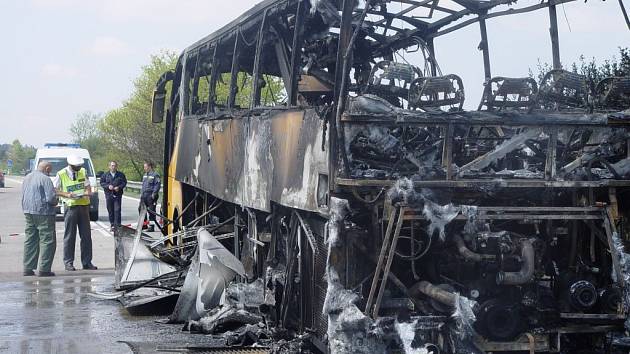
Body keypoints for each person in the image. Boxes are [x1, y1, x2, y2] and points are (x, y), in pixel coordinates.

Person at [54, 155, 97, 271]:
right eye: (77, 166)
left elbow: (88, 186)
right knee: (69, 236)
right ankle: (68, 262)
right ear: (71, 165)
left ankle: (87, 262)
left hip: (83, 205)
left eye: (80, 166)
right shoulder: (61, 174)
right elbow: (55, 189)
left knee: (86, 236)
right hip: (71, 207)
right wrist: (67, 195)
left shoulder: (83, 171)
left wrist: (88, 193)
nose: (79, 167)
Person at [21, 161, 58, 277]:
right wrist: (56, 201)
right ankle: (44, 269)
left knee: (30, 239)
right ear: (47, 168)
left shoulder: (27, 177)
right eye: (50, 169)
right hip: (43, 212)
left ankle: (28, 268)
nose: (50, 172)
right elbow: (51, 198)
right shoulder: (45, 179)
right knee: (47, 240)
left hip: (28, 211)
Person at [100, 161, 127, 232]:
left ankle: (118, 225)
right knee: (110, 210)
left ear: (116, 166)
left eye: (115, 166)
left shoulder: (121, 175)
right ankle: (112, 224)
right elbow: (102, 183)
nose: (113, 167)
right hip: (109, 195)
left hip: (117, 195)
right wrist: (108, 186)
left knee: (117, 210)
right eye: (112, 166)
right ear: (109, 166)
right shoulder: (105, 175)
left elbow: (124, 183)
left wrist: (119, 187)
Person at [140, 161, 161, 232]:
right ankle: (144, 225)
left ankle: (151, 227)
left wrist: (154, 194)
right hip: (144, 195)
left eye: (145, 167)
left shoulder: (155, 175)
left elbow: (157, 185)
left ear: (149, 167)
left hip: (151, 195)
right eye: (144, 167)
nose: (144, 168)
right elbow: (143, 185)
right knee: (141, 209)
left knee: (151, 211)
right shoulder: (145, 174)